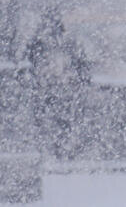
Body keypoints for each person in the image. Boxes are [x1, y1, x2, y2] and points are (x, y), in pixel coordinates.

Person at [25, 9, 91, 160]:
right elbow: (82, 68)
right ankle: (61, 150)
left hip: (51, 90)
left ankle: (54, 151)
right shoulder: (68, 45)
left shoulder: (38, 45)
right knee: (61, 122)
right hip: (60, 91)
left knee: (50, 121)